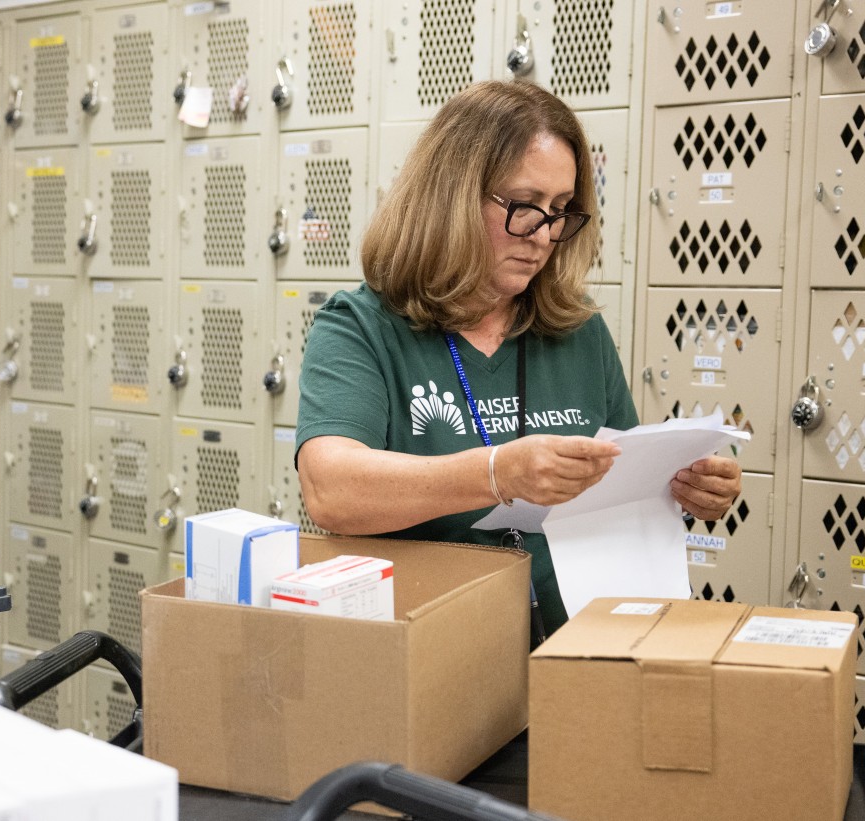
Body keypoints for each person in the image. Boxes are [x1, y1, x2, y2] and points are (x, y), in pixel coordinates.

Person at [294, 80, 742, 637]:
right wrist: (497, 472)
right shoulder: (362, 326)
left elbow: (622, 483)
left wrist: (685, 485)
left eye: (560, 211)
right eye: (525, 207)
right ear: (452, 196)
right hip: (428, 653)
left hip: (570, 651)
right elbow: (331, 490)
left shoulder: (577, 329)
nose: (544, 234)